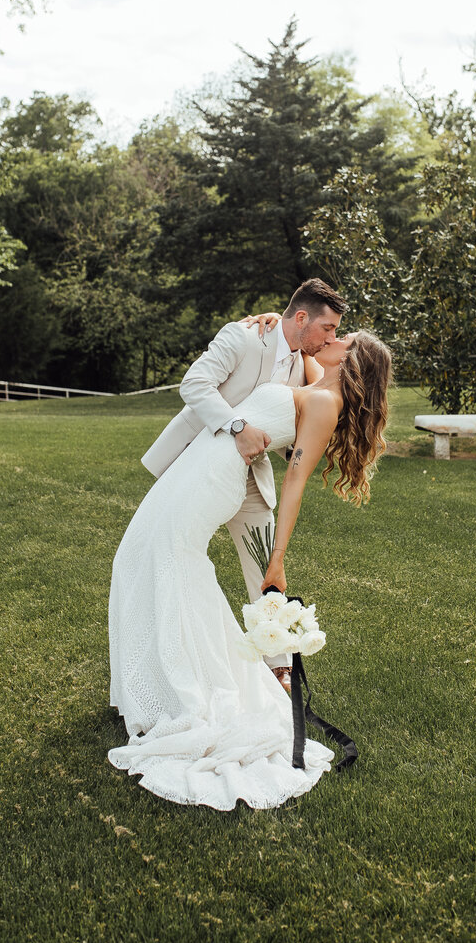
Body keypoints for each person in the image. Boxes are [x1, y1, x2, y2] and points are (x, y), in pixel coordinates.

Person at [108, 323, 393, 810]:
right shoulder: (312, 374)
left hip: (217, 477)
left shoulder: (325, 404)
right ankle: (151, 679)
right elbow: (295, 336)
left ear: (352, 359)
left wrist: (277, 558)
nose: (331, 339)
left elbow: (295, 482)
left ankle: (188, 691)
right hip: (198, 460)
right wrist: (273, 317)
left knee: (175, 563)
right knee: (137, 554)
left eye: (341, 339)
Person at [141, 279, 348, 689]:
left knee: (265, 564)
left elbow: (309, 410)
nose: (333, 337)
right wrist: (237, 426)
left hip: (253, 477)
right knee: (173, 556)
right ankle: (171, 660)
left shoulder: (306, 361)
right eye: (329, 328)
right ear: (302, 318)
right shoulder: (244, 335)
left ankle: (279, 665)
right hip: (197, 463)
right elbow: (193, 385)